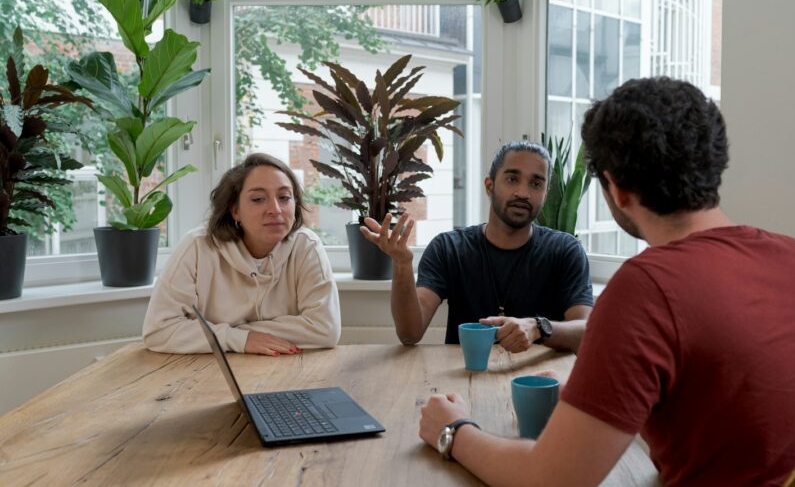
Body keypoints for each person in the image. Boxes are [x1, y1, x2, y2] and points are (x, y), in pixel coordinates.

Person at [416, 78, 795, 487]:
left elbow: (550, 484)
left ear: (615, 190)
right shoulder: (791, 255)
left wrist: (454, 429)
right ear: (714, 164)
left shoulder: (647, 288)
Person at [361, 141, 593, 353]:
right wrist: (402, 265)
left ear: (545, 193)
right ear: (489, 186)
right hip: (463, 382)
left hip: (537, 384)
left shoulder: (565, 250)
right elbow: (409, 333)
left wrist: (538, 328)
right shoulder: (448, 248)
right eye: (512, 179)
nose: (523, 193)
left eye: (535, 183)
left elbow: (587, 333)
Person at [143, 153, 341, 355]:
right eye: (258, 199)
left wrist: (229, 334)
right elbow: (158, 330)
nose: (275, 209)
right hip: (207, 373)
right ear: (235, 210)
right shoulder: (197, 247)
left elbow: (325, 330)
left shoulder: (306, 246)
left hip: (287, 368)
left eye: (284, 197)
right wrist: (238, 339)